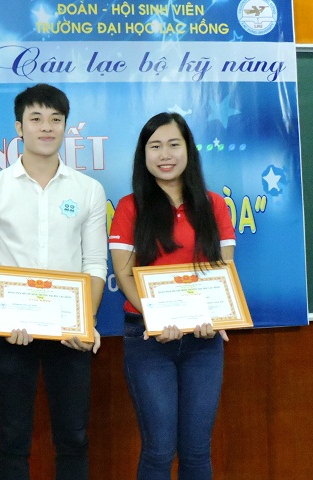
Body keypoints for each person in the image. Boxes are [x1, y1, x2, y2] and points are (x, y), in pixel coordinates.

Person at [0, 83, 107, 480]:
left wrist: (85, 321)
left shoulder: (89, 190)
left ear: (65, 126)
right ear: (19, 127)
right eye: (36, 118)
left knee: (74, 437)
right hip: (13, 334)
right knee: (13, 439)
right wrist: (5, 315)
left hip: (71, 334)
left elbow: (95, 264)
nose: (46, 127)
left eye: (55, 119)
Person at [109, 112, 236, 479]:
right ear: (143, 154)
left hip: (204, 340)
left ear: (188, 150)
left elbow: (223, 269)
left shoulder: (214, 205)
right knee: (159, 449)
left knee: (197, 450)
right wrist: (158, 318)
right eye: (155, 146)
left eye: (173, 144)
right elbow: (124, 273)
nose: (165, 154)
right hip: (148, 338)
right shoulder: (130, 207)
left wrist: (216, 317)